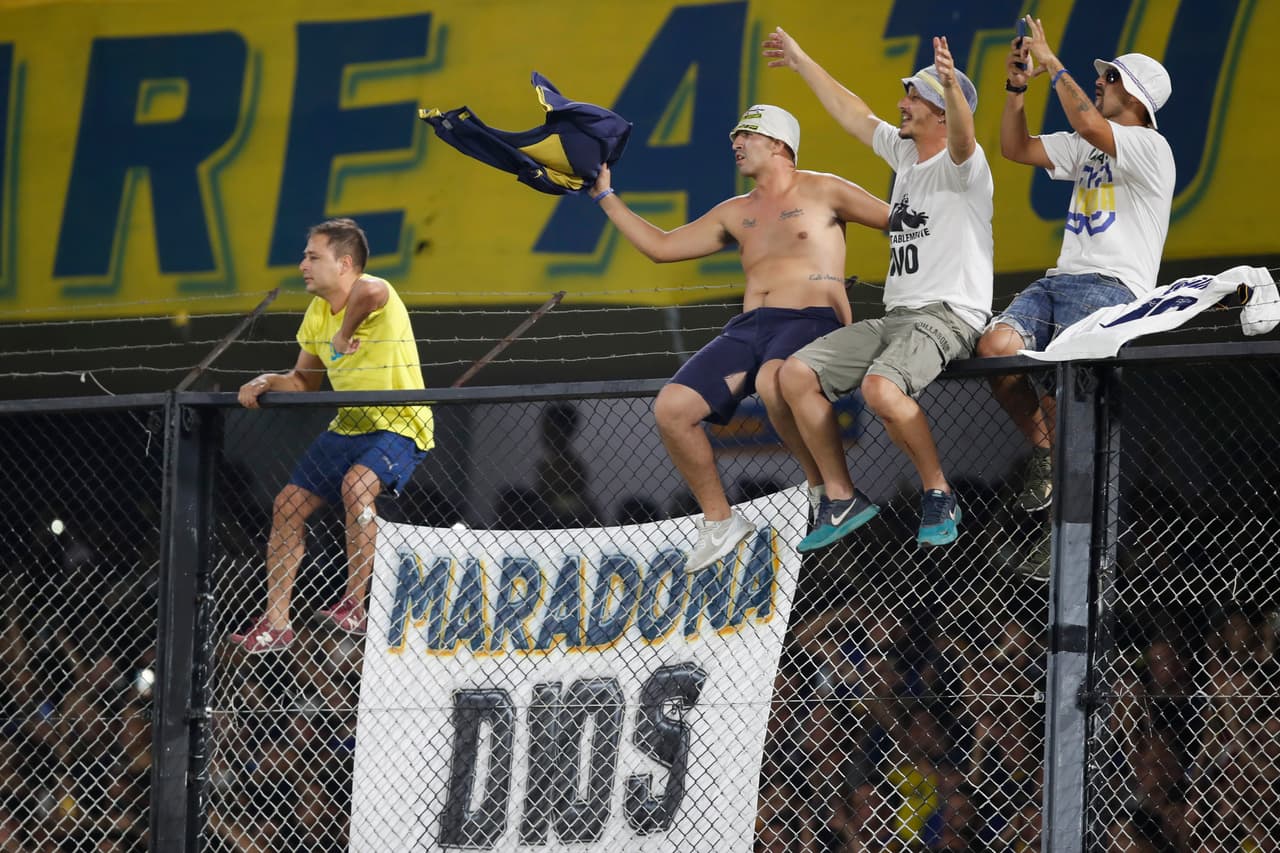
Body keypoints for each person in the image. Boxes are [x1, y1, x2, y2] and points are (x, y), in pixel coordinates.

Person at [588, 104, 888, 573]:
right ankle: (719, 521)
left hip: (812, 317)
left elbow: (903, 222)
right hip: (750, 328)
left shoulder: (824, 188)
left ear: (779, 144)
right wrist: (605, 195)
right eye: (734, 136)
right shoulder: (735, 211)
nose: (735, 143)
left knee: (774, 379)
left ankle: (833, 492)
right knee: (672, 408)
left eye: (747, 134)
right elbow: (662, 247)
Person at [763, 28, 993, 552]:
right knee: (793, 375)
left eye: (914, 97)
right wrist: (801, 59)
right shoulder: (908, 157)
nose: (902, 104)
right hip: (898, 317)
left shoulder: (964, 166)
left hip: (947, 314)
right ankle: (841, 496)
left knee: (881, 390)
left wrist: (951, 86)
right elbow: (854, 114)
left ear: (942, 112)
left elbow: (963, 137)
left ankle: (939, 494)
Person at [978, 17, 1173, 516]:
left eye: (1110, 77)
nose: (1099, 81)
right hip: (1060, 279)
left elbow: (1089, 123)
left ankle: (1072, 501)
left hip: (1112, 286)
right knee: (995, 350)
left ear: (1136, 96)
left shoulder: (1151, 147)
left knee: (1066, 387)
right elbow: (1015, 148)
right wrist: (1016, 90)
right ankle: (1046, 458)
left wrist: (1050, 61)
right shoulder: (1089, 142)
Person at [229, 218, 433, 653]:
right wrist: (267, 380)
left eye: (312, 257)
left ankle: (355, 605)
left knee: (356, 486)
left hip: (400, 423)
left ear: (344, 264)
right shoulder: (316, 314)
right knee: (287, 505)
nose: (302, 265)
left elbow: (369, 292)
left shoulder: (376, 291)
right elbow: (304, 382)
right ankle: (277, 623)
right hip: (349, 426)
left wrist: (344, 332)